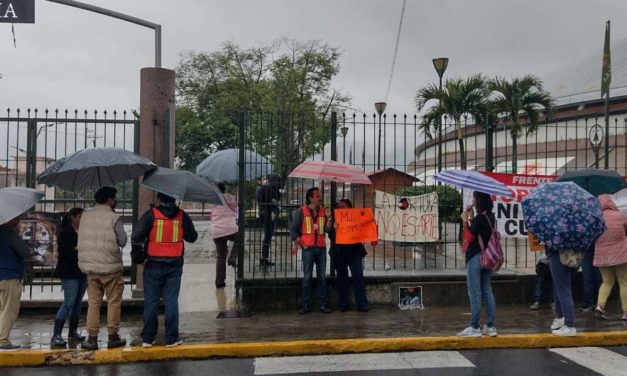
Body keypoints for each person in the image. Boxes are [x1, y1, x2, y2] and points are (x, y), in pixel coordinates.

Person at [131, 192, 198, 348]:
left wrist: (139, 258)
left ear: (159, 199)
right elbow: (192, 237)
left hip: (153, 264)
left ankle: (148, 338)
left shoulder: (151, 215)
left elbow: (136, 236)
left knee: (151, 302)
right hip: (174, 265)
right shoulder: (182, 216)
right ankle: (172, 338)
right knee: (171, 301)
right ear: (174, 200)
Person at [77, 186, 128, 350]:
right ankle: (113, 337)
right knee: (113, 302)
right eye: (115, 198)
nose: (116, 200)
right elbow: (123, 241)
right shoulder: (114, 218)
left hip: (91, 268)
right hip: (111, 268)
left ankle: (92, 338)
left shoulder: (85, 215)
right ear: (109, 199)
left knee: (93, 303)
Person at [457, 191, 497, 337]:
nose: (473, 200)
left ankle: (474, 327)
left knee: (474, 293)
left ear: (479, 200)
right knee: (487, 291)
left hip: (475, 258)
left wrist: (465, 220)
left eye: (474, 197)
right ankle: (491, 327)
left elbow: (469, 236)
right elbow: (479, 231)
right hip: (487, 258)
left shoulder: (481, 217)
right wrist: (472, 216)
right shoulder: (490, 217)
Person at [51, 208, 87, 349]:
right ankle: (56, 335)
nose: (83, 219)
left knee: (77, 303)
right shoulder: (65, 233)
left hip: (82, 271)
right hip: (69, 273)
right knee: (69, 302)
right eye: (80, 216)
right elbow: (66, 253)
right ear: (73, 217)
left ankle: (73, 331)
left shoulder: (84, 233)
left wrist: (80, 250)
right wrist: (80, 251)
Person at [291, 187, 331, 314]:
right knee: (307, 277)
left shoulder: (323, 212)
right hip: (308, 249)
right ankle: (305, 305)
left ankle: (323, 304)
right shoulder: (301, 212)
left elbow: (327, 230)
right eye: (317, 196)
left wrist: (329, 219)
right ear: (310, 198)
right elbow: (293, 231)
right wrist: (302, 244)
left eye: (320, 196)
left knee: (322, 278)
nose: (320, 198)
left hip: (321, 248)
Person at [327, 199, 368, 312]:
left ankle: (362, 304)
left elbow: (363, 231)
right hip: (339, 252)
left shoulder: (356, 218)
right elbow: (329, 234)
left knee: (358, 276)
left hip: (354, 252)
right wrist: (333, 227)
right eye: (339, 206)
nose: (340, 208)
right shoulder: (334, 219)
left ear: (350, 208)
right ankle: (343, 304)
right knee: (341, 278)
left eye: (343, 206)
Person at [593, 194, 627, 321]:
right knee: (624, 281)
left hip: (603, 256)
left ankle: (600, 306)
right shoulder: (619, 216)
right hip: (621, 254)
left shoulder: (597, 219)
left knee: (607, 281)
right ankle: (625, 312)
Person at [0, 216, 30, 351]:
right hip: (9, 275)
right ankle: (3, 341)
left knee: (2, 310)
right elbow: (24, 251)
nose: (19, 219)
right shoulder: (8, 232)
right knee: (9, 310)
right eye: (17, 217)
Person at [209, 183, 238, 288]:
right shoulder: (229, 197)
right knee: (240, 239)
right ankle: (233, 257)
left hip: (216, 231)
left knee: (221, 256)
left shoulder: (212, 199)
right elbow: (236, 207)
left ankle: (219, 282)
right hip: (230, 229)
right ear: (224, 189)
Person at [257, 175, 281, 266]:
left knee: (268, 237)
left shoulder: (269, 187)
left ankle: (264, 257)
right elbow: (267, 201)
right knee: (267, 236)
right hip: (268, 214)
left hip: (267, 214)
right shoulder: (267, 188)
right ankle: (264, 258)